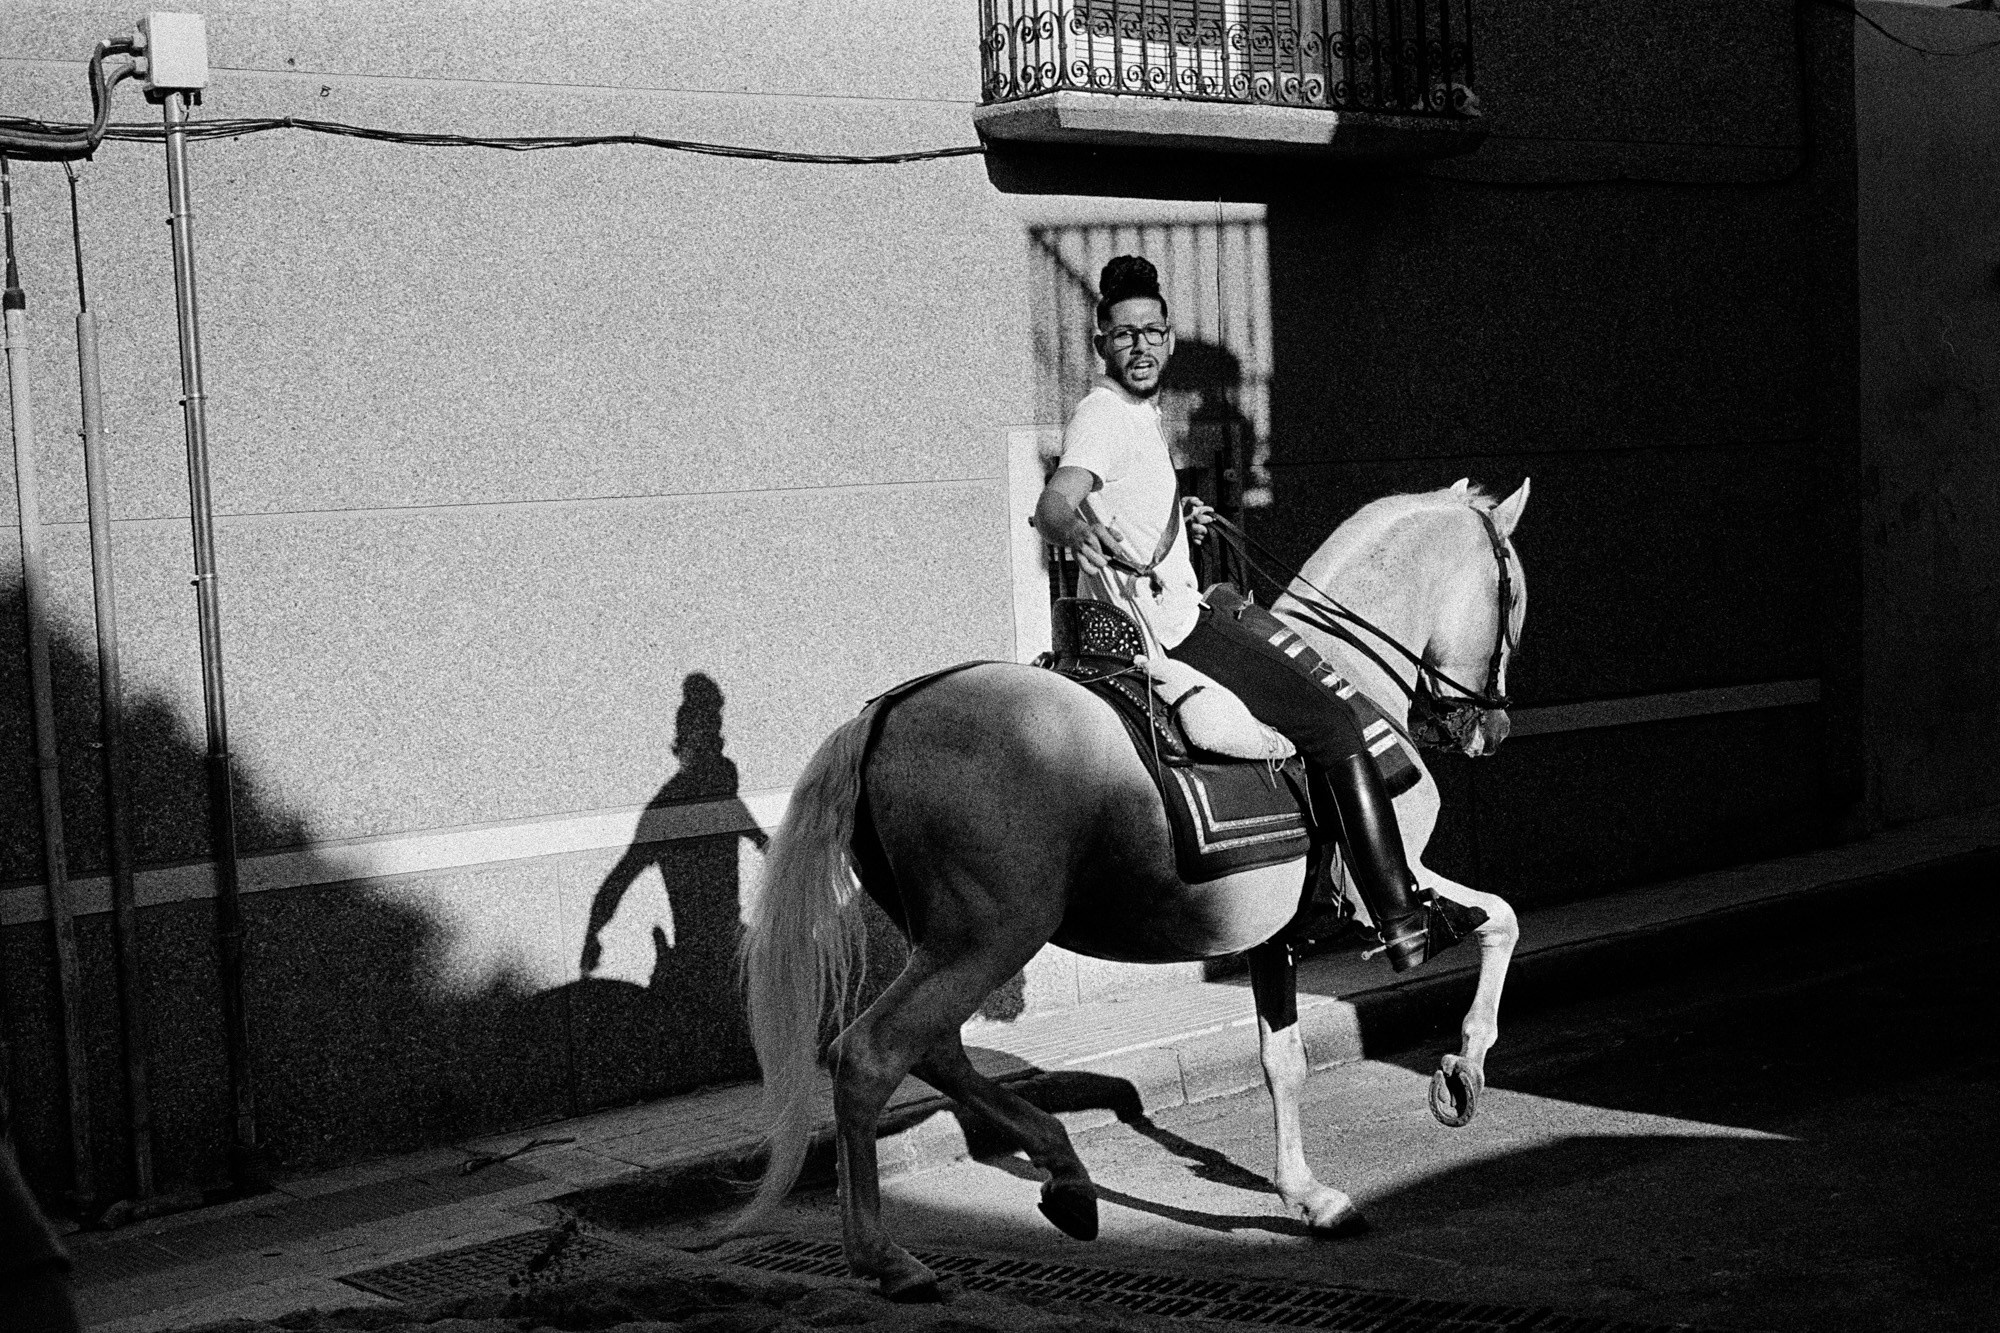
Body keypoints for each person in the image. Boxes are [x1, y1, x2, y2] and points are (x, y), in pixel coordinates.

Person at [1032, 254, 1479, 971]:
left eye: (1152, 332)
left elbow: (1125, 502)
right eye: (1124, 334)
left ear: (1167, 339)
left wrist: (1177, 522)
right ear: (1101, 345)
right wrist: (1073, 527)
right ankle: (1402, 918)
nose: (1140, 346)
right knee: (1335, 724)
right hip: (1175, 630)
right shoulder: (1103, 414)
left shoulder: (1139, 416)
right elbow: (1056, 500)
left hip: (1170, 611)